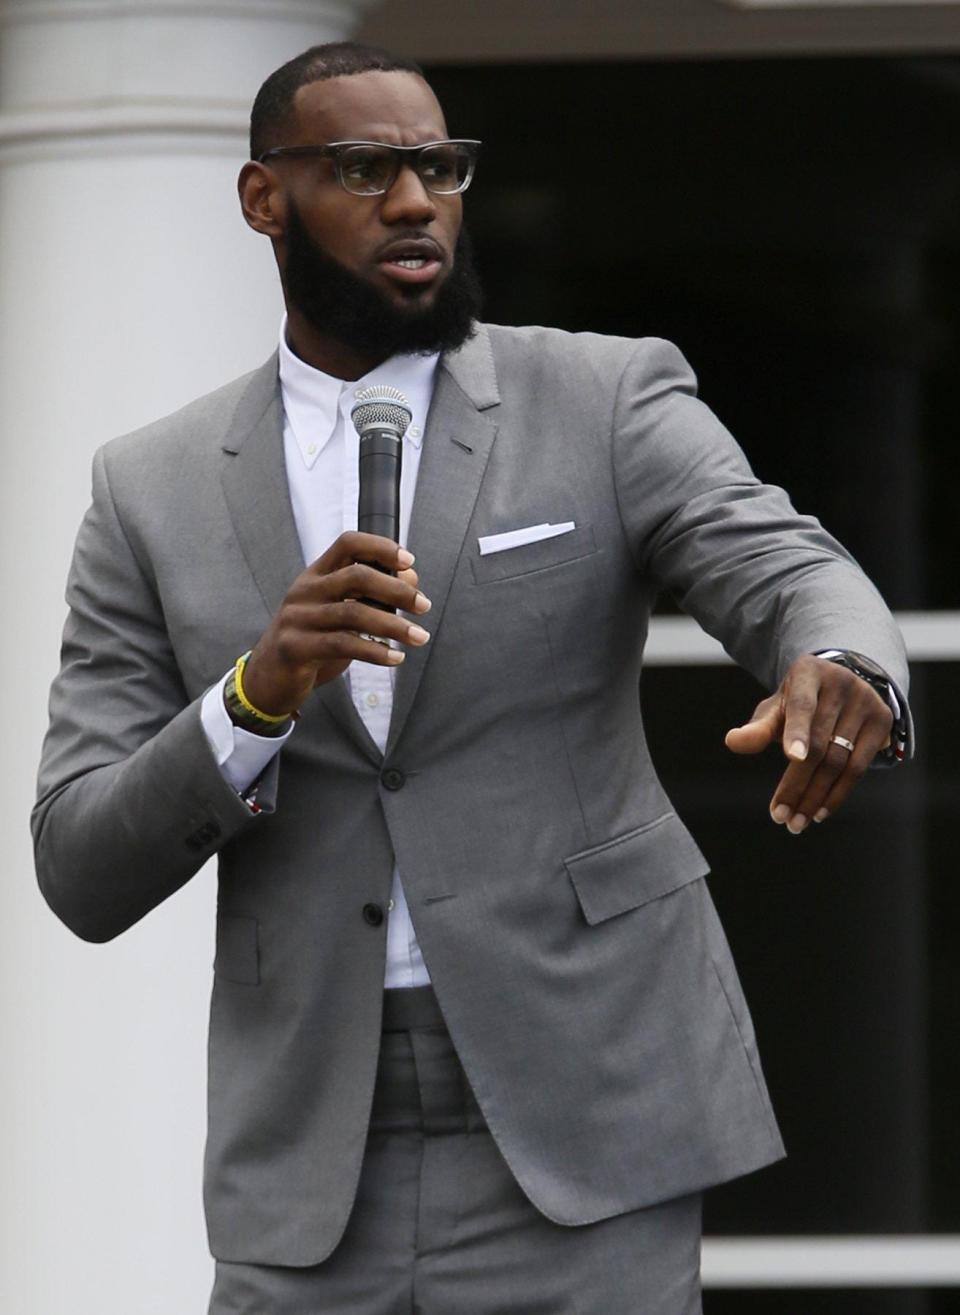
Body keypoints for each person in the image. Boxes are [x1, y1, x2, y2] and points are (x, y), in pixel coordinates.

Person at [33, 41, 910, 1315]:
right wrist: (256, 692)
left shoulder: (603, 396)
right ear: (262, 199)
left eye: (439, 166)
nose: (413, 201)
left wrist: (838, 659)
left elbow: (781, 562)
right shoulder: (148, 487)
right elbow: (79, 862)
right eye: (362, 169)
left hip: (588, 1108)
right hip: (311, 1156)